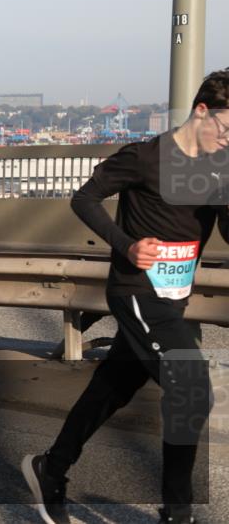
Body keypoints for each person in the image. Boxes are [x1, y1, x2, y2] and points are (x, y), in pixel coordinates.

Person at [22, 69, 229, 524]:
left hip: (172, 299)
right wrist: (126, 244)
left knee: (110, 388)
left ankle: (50, 469)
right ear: (201, 112)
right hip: (137, 291)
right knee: (191, 390)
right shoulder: (146, 158)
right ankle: (178, 514)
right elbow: (85, 198)